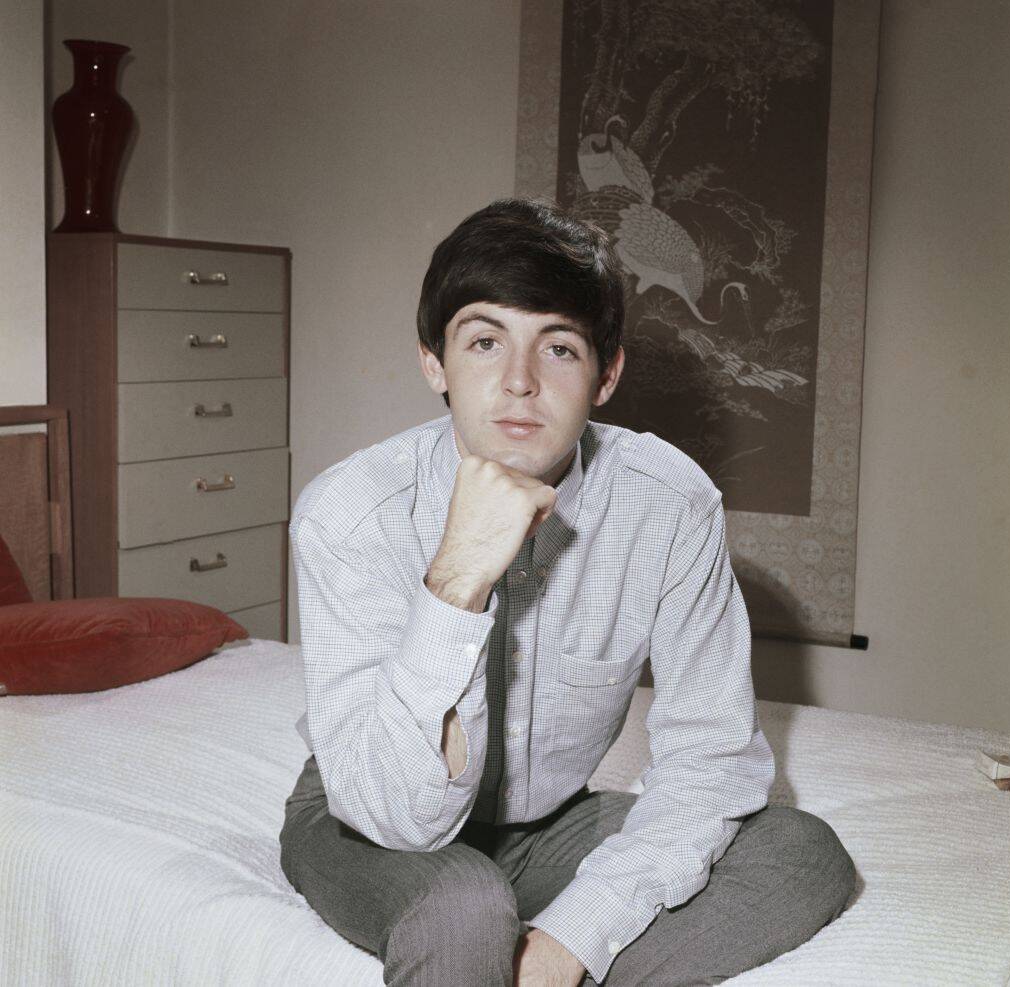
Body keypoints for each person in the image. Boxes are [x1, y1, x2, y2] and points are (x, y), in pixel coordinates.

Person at [279, 197, 856, 986]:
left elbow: (712, 760)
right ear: (434, 362)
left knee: (800, 852)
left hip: (549, 824)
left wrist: (567, 945)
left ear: (606, 374)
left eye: (558, 348)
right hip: (369, 815)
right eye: (485, 341)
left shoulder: (670, 504)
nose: (519, 382)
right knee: (464, 910)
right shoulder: (350, 512)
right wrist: (456, 580)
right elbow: (395, 811)